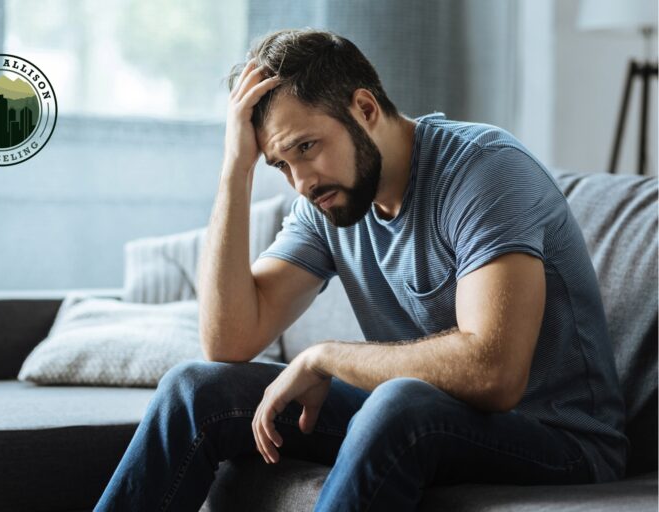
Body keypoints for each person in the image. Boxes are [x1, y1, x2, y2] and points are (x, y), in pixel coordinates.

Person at [94, 28, 629, 512]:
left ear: (365, 108)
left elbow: (495, 374)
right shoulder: (326, 201)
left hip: (561, 440)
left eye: (307, 147)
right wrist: (235, 168)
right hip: (418, 417)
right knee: (195, 389)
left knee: (399, 401)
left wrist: (327, 356)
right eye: (281, 165)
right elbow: (228, 340)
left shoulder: (484, 171)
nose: (301, 182)